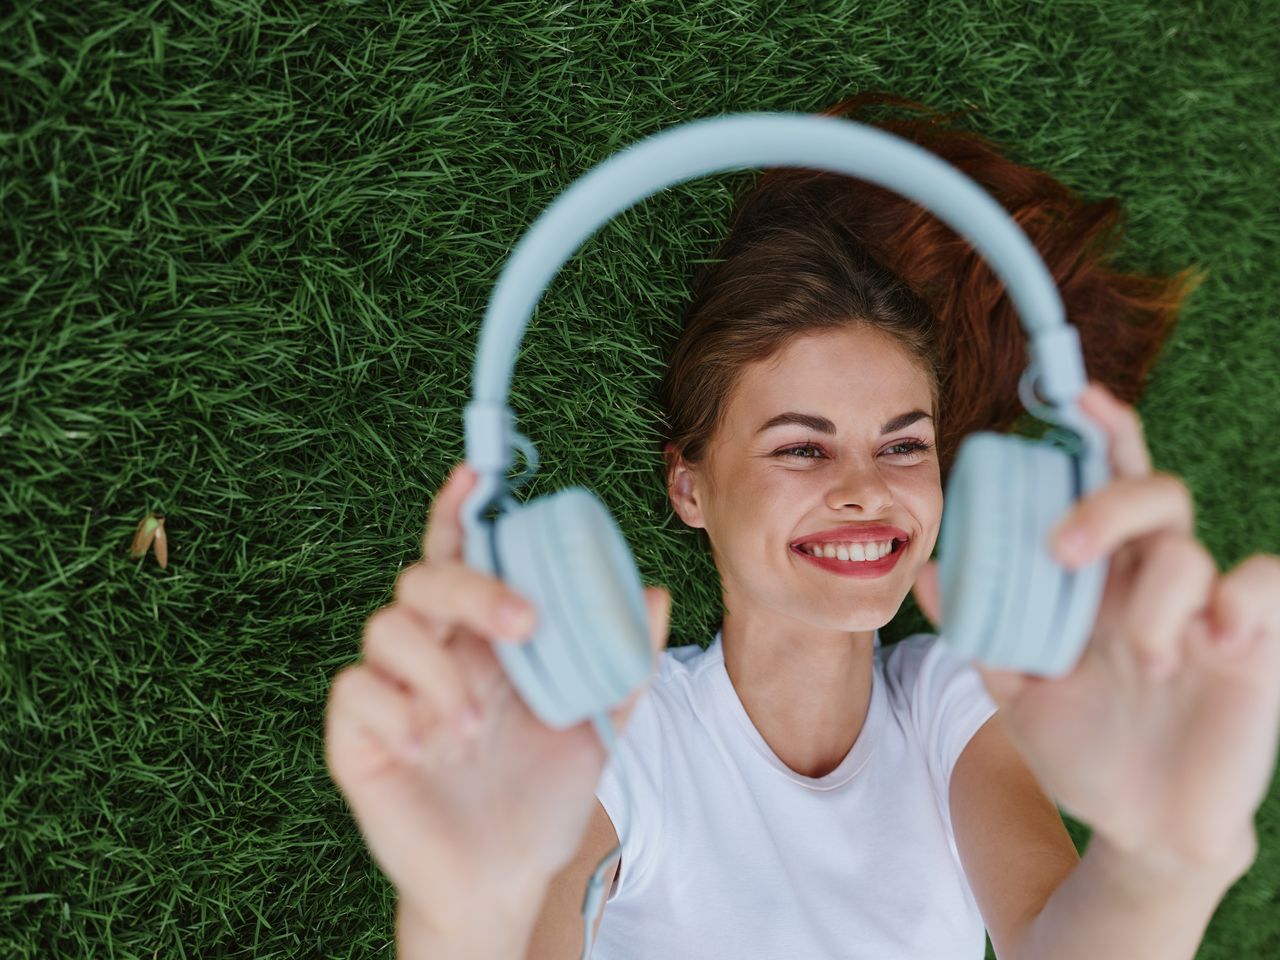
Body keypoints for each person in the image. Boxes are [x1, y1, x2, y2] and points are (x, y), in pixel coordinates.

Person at [324, 91, 1280, 959]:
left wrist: (1166, 864)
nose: (867, 490)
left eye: (904, 446)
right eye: (800, 449)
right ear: (689, 489)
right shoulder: (618, 729)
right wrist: (464, 920)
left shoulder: (953, 703)